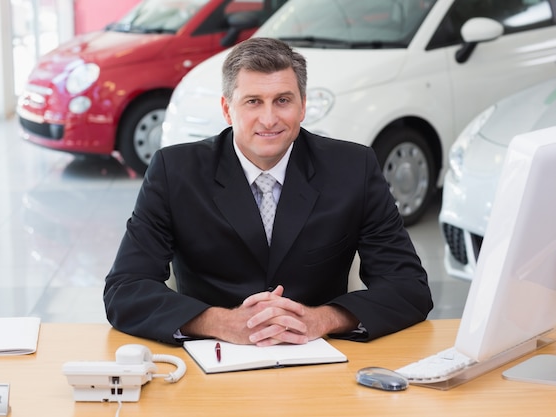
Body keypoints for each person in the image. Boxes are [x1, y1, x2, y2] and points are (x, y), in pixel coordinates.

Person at [104, 37, 433, 346]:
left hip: (317, 357)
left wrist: (323, 319)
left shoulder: (353, 168)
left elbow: (408, 287)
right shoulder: (174, 171)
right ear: (226, 109)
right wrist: (220, 323)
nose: (269, 118)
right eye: (253, 102)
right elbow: (125, 289)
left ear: (303, 107)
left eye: (283, 101)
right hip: (212, 356)